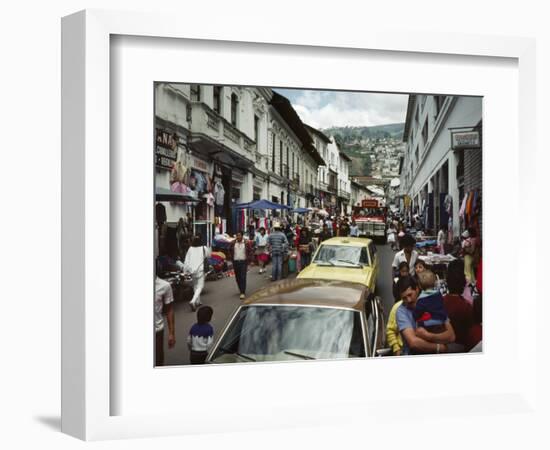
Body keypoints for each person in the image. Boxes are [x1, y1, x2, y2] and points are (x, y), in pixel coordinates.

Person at [395, 276, 456, 355]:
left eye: (410, 295)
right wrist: (439, 347)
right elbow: (414, 343)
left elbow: (451, 336)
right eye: (404, 298)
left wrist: (428, 336)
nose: (408, 300)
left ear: (417, 289)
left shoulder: (432, 300)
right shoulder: (401, 311)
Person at [155, 260, 176, 366]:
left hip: (157, 331)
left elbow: (169, 310)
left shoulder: (165, 286)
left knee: (157, 362)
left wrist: (172, 333)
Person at [183, 235, 211, 311]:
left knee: (195, 286)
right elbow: (209, 256)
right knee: (200, 286)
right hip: (200, 270)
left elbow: (186, 260)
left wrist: (185, 271)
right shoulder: (203, 248)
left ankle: (198, 301)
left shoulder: (190, 249)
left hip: (192, 270)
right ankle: (193, 301)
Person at [230, 231, 251, 299]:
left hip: (243, 262)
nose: (238, 237)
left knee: (243, 277)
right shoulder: (233, 243)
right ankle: (240, 289)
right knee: (237, 278)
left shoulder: (246, 243)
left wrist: (250, 261)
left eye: (239, 235)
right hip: (235, 262)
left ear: (242, 236)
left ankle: (242, 292)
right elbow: (229, 250)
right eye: (237, 235)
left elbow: (250, 251)